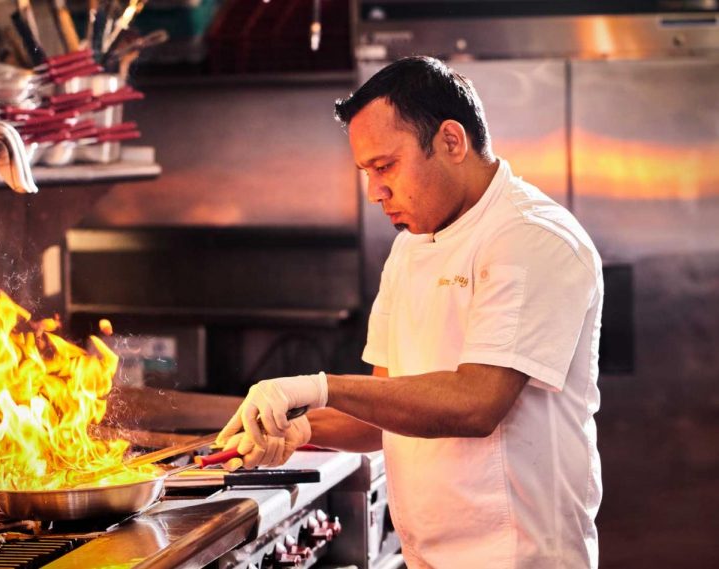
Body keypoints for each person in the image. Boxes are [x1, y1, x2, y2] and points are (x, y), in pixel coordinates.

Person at [216, 56, 604, 568]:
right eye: (366, 172)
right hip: (427, 555)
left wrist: (317, 387)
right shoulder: (412, 245)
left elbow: (476, 403)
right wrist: (303, 428)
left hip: (519, 557)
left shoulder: (530, 238)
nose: (375, 192)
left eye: (385, 166)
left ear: (451, 141)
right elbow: (384, 412)